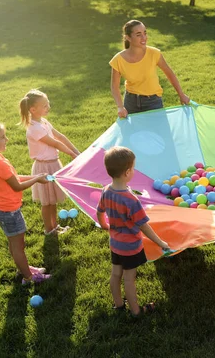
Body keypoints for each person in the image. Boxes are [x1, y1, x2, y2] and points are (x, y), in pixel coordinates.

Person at [0, 120, 51, 284]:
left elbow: (13, 179)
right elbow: (17, 186)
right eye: (2, 137)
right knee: (18, 247)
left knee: (15, 244)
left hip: (4, 210)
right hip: (9, 212)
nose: (6, 139)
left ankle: (24, 268)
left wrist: (36, 176)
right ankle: (28, 277)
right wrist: (36, 179)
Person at [96, 146, 170, 317]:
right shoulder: (131, 200)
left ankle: (119, 305)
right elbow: (144, 225)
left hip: (115, 243)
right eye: (134, 168)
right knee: (129, 279)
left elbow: (99, 211)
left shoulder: (106, 190)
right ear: (128, 172)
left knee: (115, 274)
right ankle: (136, 311)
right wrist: (161, 242)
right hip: (130, 246)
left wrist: (104, 225)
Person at [19, 89, 80, 235]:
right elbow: (55, 143)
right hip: (44, 167)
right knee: (47, 202)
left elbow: (61, 137)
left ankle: (54, 226)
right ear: (33, 109)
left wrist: (77, 152)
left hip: (53, 164)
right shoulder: (34, 128)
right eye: (45, 106)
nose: (49, 107)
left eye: (48, 104)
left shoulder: (44, 122)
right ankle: (49, 229)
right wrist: (72, 154)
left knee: (52, 200)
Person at [110, 20, 190, 118]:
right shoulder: (118, 60)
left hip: (153, 102)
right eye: (138, 34)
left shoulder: (154, 53)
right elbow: (114, 87)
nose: (144, 37)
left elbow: (169, 73)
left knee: (158, 132)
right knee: (134, 133)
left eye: (145, 33)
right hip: (130, 102)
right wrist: (120, 107)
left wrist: (181, 94)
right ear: (128, 38)